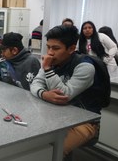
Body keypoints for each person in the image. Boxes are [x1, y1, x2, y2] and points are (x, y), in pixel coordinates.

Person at [30, 25, 106, 157]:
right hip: (58, 115)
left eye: (56, 48)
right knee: (36, 144)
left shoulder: (85, 67)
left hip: (84, 121)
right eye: (48, 47)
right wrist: (44, 94)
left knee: (51, 151)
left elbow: (64, 95)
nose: (50, 52)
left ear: (71, 48)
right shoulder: (53, 60)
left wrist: (47, 68)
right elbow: (35, 83)